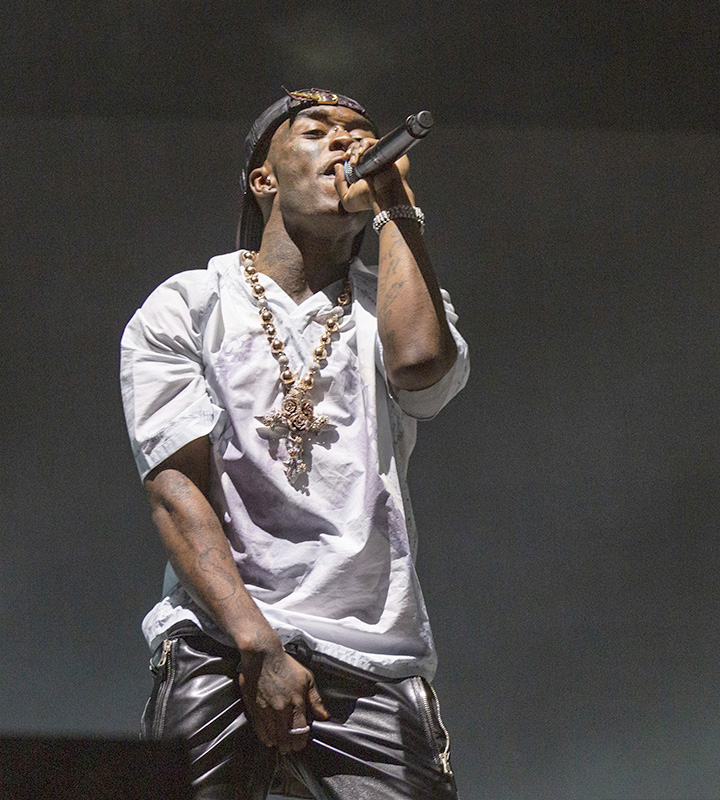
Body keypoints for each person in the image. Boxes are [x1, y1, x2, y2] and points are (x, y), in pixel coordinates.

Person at [120, 87, 470, 800]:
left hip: (371, 654)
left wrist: (395, 201)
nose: (347, 143)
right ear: (263, 178)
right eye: (318, 131)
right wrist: (256, 643)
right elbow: (175, 489)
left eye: (361, 133)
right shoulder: (189, 302)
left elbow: (418, 366)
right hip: (220, 640)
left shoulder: (396, 303)